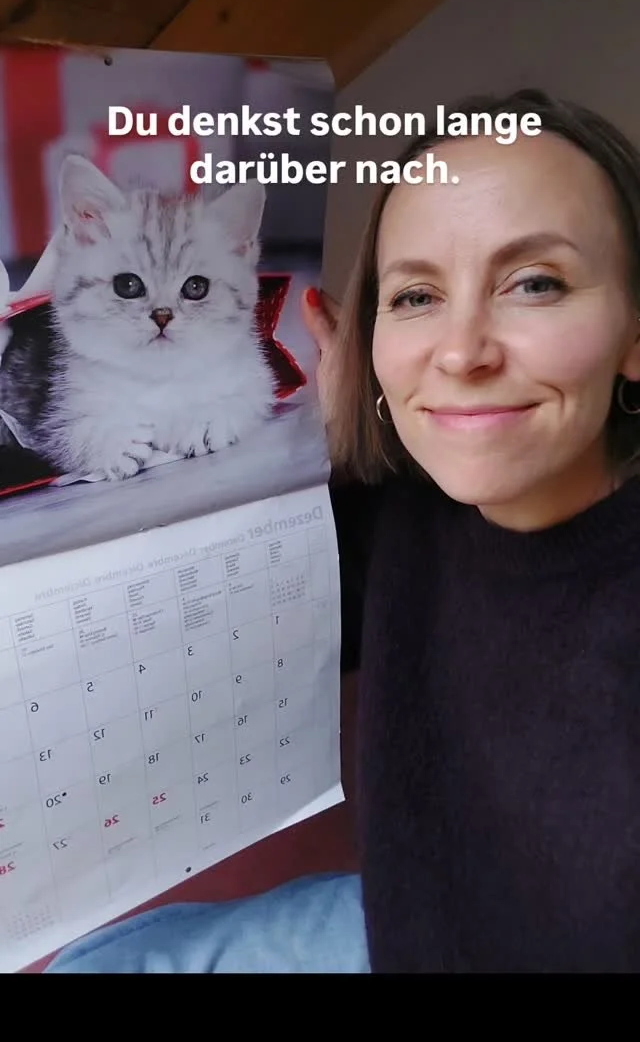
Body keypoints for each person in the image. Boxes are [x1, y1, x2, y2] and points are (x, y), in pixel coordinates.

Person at [46, 87, 640, 973]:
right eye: (416, 296)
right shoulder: (401, 515)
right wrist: (318, 444)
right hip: (409, 920)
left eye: (534, 283)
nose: (461, 352)